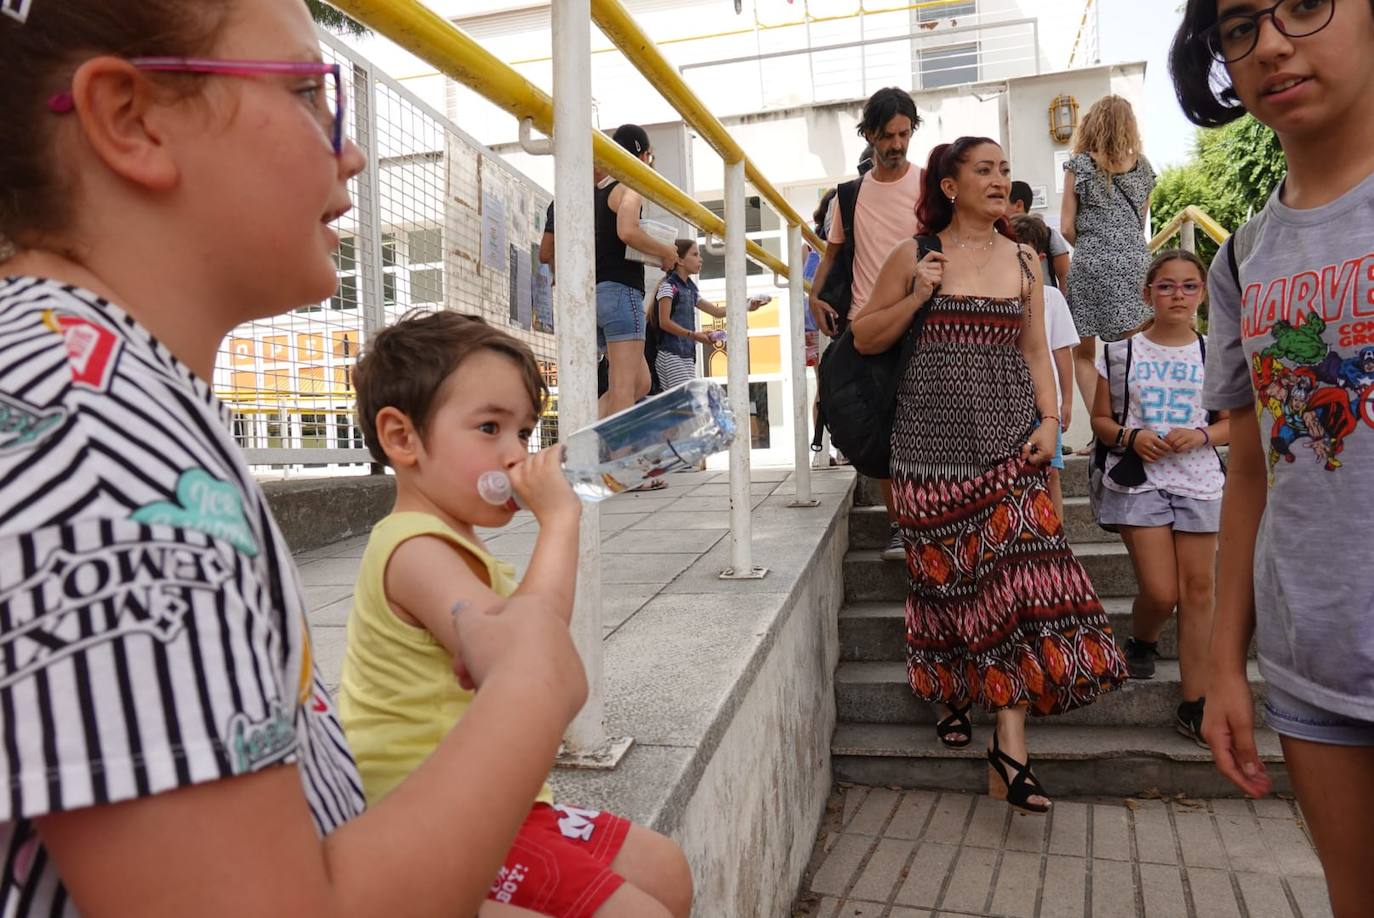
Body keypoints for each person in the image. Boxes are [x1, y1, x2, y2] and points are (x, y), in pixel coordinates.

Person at [0, 1, 589, 914]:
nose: (351, 153)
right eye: (311, 93)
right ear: (130, 119)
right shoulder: (97, 450)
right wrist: (532, 683)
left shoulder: (83, 389)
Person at [341, 311, 693, 918]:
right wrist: (559, 520)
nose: (515, 455)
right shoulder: (412, 548)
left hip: (506, 801)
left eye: (525, 432)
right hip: (436, 817)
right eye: (490, 428)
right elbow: (528, 651)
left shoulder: (455, 542)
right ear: (403, 439)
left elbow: (533, 637)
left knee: (665, 868)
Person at [1171, 0, 1374, 911]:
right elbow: (1251, 471)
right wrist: (1226, 666)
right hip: (1313, 669)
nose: (1273, 44)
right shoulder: (1242, 260)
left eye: (1304, 5)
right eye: (1241, 26)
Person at [854, 137, 1126, 814]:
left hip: (1010, 446)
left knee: (1017, 589)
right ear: (950, 186)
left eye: (1005, 169)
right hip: (928, 454)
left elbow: (1035, 349)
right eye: (985, 170)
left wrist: (1051, 422)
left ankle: (1010, 748)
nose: (1000, 179)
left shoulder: (1027, 259)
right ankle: (951, 692)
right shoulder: (914, 255)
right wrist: (918, 295)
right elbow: (864, 336)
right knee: (944, 586)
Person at [1089, 250, 1229, 745]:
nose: (1178, 295)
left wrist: (1203, 436)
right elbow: (1101, 421)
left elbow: (1232, 423)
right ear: (1148, 293)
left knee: (1199, 591)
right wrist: (1132, 436)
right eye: (1166, 286)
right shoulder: (1119, 353)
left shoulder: (1215, 353)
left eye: (1189, 286)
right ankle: (1143, 637)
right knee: (1162, 592)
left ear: (1202, 294)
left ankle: (1196, 704)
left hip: (1198, 480)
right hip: (1140, 480)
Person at [809, 87, 926, 561]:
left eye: (904, 134)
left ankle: (931, 521)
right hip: (868, 327)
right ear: (869, 135)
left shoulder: (929, 185)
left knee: (925, 430)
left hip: (922, 323)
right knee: (883, 432)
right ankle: (899, 527)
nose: (897, 144)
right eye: (887, 135)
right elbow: (833, 253)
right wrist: (815, 296)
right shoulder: (850, 195)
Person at [1060, 95, 1156, 447]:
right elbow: (1140, 223)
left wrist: (1093, 245)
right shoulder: (1143, 168)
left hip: (1091, 262)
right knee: (1134, 349)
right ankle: (1137, 426)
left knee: (1085, 354)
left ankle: (1104, 433)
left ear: (1091, 124)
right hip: (1134, 263)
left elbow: (1066, 226)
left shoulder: (1079, 165)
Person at [597, 124, 678, 419]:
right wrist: (666, 251)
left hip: (596, 293)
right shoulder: (629, 185)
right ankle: (611, 449)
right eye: (650, 156)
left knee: (640, 382)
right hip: (621, 291)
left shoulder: (599, 190)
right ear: (643, 156)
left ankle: (583, 437)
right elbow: (627, 231)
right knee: (624, 386)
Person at [1011, 213, 1078, 521]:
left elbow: (1061, 351)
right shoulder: (997, 297)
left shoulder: (1051, 298)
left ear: (1039, 258)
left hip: (1044, 403)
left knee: (1051, 473)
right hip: (1010, 401)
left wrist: (1067, 401)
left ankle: (1057, 534)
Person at [1008, 180, 1071, 291]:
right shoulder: (998, 236)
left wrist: (1060, 299)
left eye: (1002, 202)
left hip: (1045, 296)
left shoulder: (1047, 234)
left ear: (1019, 205)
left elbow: (1064, 274)